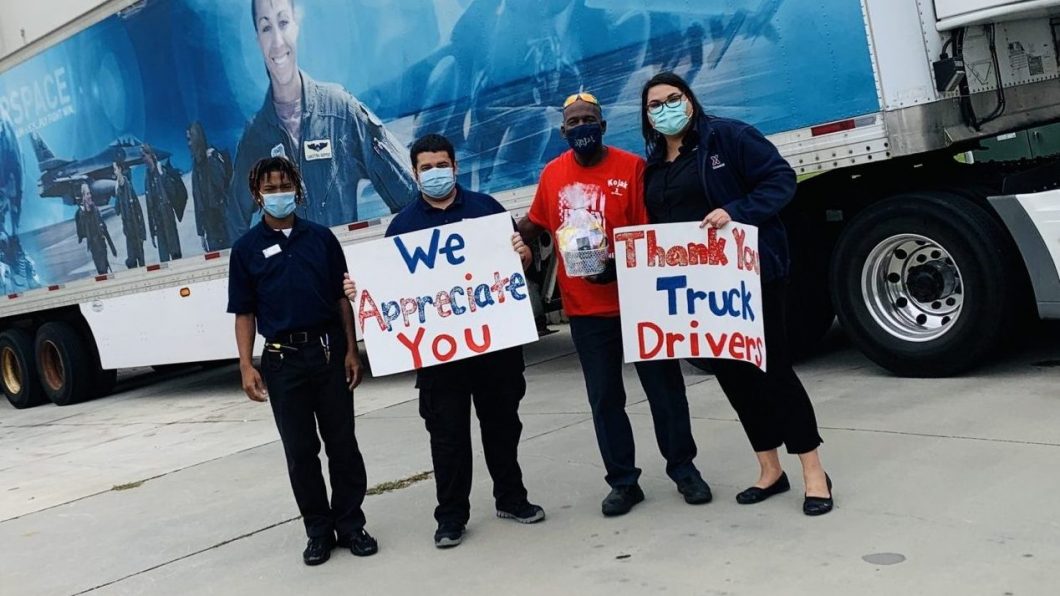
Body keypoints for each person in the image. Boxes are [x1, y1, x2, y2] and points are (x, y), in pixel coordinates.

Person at [640, 71, 833, 516]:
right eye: (656, 104)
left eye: (674, 98)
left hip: (751, 278)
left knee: (774, 371)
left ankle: (813, 471)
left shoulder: (728, 138)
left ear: (690, 100)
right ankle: (769, 469)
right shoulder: (653, 164)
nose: (666, 108)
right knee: (732, 375)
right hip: (699, 290)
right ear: (647, 116)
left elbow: (781, 181)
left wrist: (736, 211)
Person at [345, 134, 544, 548]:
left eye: (442, 165)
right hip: (441, 359)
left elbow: (518, 265)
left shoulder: (486, 210)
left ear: (455, 166)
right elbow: (392, 291)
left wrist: (523, 256)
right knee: (448, 437)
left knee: (503, 427)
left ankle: (512, 498)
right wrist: (361, 290)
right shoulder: (403, 227)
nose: (435, 173)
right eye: (426, 168)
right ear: (415, 173)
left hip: (495, 350)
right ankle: (451, 516)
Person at [518, 93, 711, 517]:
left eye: (589, 120)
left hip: (640, 301)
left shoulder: (632, 167)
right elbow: (534, 225)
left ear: (603, 127)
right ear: (563, 131)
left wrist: (618, 268)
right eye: (574, 122)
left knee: (665, 390)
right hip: (587, 312)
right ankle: (623, 482)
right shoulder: (552, 175)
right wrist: (510, 243)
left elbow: (650, 233)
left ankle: (684, 469)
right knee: (605, 399)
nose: (582, 127)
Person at [227, 156, 378, 565]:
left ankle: (351, 524)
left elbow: (339, 299)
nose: (279, 194)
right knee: (300, 451)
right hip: (281, 362)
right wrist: (245, 364)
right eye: (271, 188)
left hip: (328, 353)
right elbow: (244, 312)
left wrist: (351, 349)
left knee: (343, 445)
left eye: (285, 185)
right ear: (257, 194)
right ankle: (318, 531)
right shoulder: (245, 251)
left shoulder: (322, 239)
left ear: (298, 187)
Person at [229, 0, 415, 237]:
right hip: (292, 271)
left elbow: (407, 189)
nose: (277, 41)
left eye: (283, 22)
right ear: (258, 40)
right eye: (266, 28)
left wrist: (387, 253)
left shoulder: (341, 111)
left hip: (342, 267)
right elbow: (235, 224)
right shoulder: (255, 137)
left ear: (296, 26)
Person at [187, 122, 231, 252]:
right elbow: (198, 200)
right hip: (210, 228)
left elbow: (224, 191)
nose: (188, 144)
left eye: (190, 139)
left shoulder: (211, 159)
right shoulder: (197, 165)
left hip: (222, 225)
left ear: (197, 137)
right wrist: (201, 232)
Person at [142, 144, 182, 262]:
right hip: (158, 224)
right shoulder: (147, 179)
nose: (143, 159)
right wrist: (152, 232)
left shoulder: (161, 172)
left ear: (151, 155)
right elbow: (149, 207)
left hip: (168, 220)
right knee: (164, 261)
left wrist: (163, 175)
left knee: (176, 257)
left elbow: (172, 192)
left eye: (144, 156)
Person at [74, 183, 117, 275]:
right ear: (83, 197)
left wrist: (113, 248)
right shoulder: (80, 214)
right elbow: (81, 233)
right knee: (102, 272)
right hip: (95, 249)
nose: (90, 196)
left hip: (102, 247)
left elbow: (105, 229)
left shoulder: (96, 210)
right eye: (87, 194)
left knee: (105, 271)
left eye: (90, 193)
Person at [113, 158, 147, 269]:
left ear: (120, 169)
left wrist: (142, 232)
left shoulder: (128, 186)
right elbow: (117, 210)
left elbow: (138, 209)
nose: (114, 172)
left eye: (115, 169)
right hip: (128, 231)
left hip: (136, 229)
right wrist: (116, 193)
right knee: (132, 262)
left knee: (141, 262)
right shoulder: (119, 190)